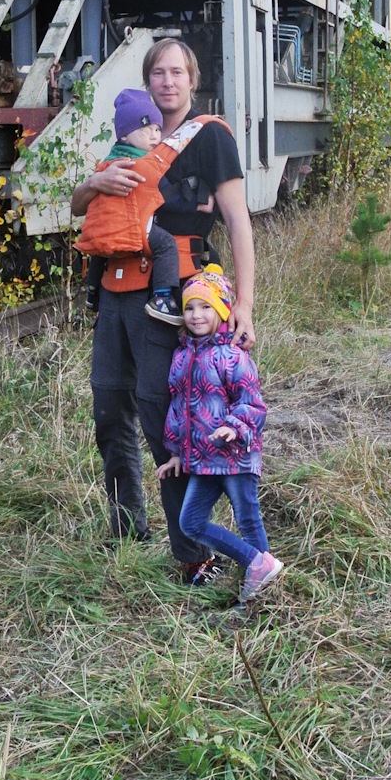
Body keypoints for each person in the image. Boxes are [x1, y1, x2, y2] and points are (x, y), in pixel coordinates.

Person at [70, 39, 256, 583]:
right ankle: (127, 525)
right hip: (116, 290)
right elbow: (84, 206)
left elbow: (239, 223)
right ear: (148, 81)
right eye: (158, 73)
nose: (168, 81)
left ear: (192, 80)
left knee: (163, 418)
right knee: (110, 407)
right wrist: (91, 183)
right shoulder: (130, 139)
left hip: (176, 298)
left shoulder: (211, 136)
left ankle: (192, 552)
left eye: (177, 72)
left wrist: (242, 303)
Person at [156, 266, 283, 602]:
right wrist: (176, 453)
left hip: (237, 456)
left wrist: (233, 426)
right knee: (191, 522)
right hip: (203, 459)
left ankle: (260, 588)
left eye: (205, 306)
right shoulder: (181, 356)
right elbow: (181, 411)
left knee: (247, 516)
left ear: (223, 310)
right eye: (189, 307)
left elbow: (253, 404)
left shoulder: (233, 356)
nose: (196, 315)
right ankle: (258, 564)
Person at [78, 89, 183, 325]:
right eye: (145, 130)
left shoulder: (109, 160)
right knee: (166, 245)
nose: (154, 136)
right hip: (132, 226)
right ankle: (163, 298)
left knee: (99, 249)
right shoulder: (144, 162)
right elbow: (166, 196)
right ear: (125, 135)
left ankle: (93, 292)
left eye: (157, 129)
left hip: (106, 226)